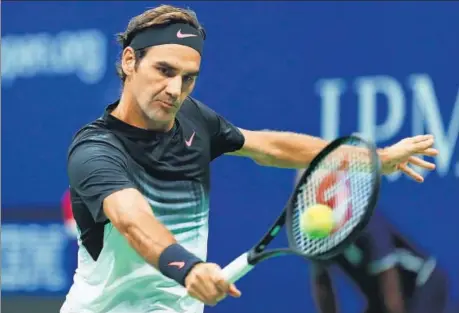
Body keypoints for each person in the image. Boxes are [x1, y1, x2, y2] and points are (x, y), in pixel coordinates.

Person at [60, 4, 439, 313]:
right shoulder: (96, 149)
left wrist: (376, 158)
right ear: (130, 62)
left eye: (188, 78)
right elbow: (133, 221)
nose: (175, 90)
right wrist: (188, 269)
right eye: (164, 71)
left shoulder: (194, 120)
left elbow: (270, 147)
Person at [309, 209, 449, 313]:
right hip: (379, 295)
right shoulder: (317, 236)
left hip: (424, 282)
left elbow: (389, 280)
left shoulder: (367, 222)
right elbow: (322, 285)